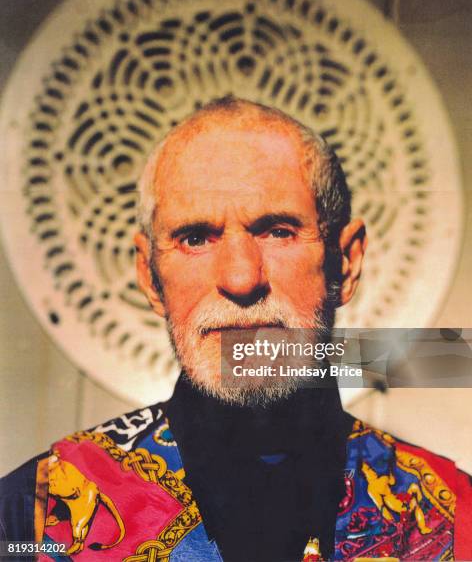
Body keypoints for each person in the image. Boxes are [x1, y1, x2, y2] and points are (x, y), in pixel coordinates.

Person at [1, 96, 471, 561]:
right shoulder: (29, 520)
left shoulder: (458, 521)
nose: (241, 278)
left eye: (278, 231)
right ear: (150, 277)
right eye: (195, 238)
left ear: (345, 264)